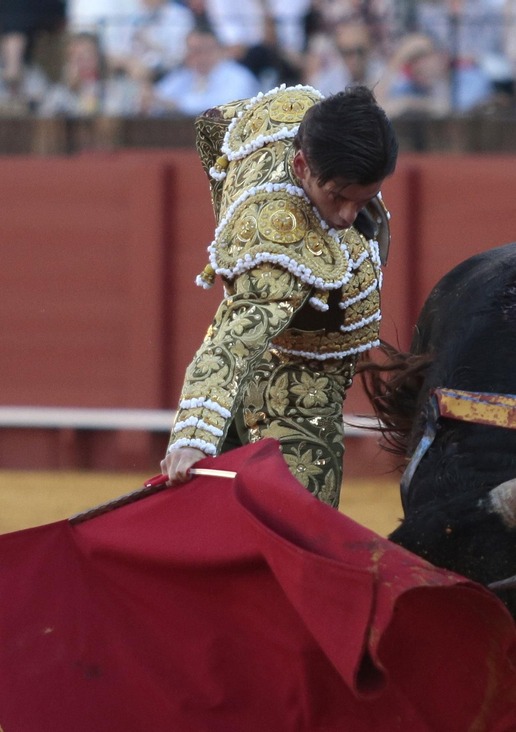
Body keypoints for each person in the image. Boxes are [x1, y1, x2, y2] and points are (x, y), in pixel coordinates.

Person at [152, 85, 395, 514]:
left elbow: (216, 122)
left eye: (363, 200)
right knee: (301, 533)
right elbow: (233, 343)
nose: (346, 216)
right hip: (299, 390)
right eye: (337, 195)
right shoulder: (282, 243)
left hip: (275, 352)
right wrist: (193, 437)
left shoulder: (292, 113)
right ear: (301, 165)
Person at [377, 32, 490, 116]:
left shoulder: (471, 77)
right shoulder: (410, 87)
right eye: (412, 59)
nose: (418, 65)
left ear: (442, 56)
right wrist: (398, 59)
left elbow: (456, 112)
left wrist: (409, 103)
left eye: (422, 56)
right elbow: (378, 108)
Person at [153, 26, 260, 115]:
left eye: (201, 51)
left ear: (219, 49)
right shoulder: (185, 75)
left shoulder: (239, 76)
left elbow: (227, 108)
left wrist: (178, 105)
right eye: (192, 51)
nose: (196, 57)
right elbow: (159, 97)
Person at [40, 31, 145, 115]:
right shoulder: (59, 93)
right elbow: (46, 119)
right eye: (75, 57)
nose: (82, 62)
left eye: (87, 55)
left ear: (98, 57)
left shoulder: (117, 88)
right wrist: (71, 91)